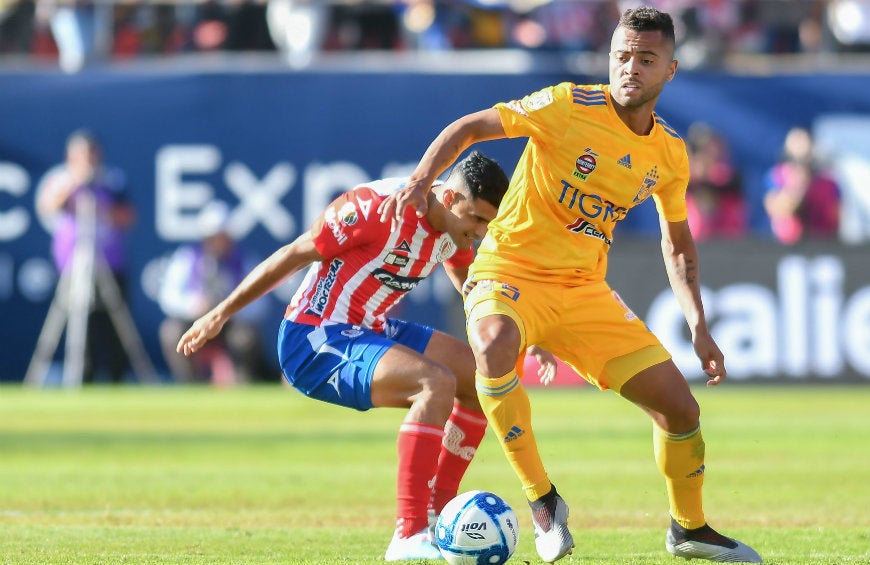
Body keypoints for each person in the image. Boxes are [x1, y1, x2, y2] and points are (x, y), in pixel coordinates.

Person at [379, 6, 761, 564]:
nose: (630, 69)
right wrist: (419, 184)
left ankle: (690, 528)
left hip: (583, 291)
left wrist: (698, 327)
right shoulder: (566, 104)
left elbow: (676, 243)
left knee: (680, 412)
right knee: (491, 348)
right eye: (622, 57)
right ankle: (541, 500)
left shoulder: (670, 154)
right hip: (508, 269)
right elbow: (469, 128)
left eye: (645, 60)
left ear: (670, 71)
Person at [176, 151, 556, 561]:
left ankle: (437, 516)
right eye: (477, 221)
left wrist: (516, 329)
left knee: (478, 379)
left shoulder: (454, 232)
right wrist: (219, 314)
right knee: (435, 383)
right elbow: (291, 254)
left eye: (487, 224)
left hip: (369, 327)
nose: (481, 233)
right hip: (313, 337)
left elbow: (471, 288)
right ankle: (408, 535)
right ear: (448, 199)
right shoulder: (374, 210)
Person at [37, 129, 135, 384]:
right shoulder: (61, 179)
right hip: (73, 265)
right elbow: (49, 207)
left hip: (108, 264)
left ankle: (117, 379)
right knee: (78, 323)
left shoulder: (111, 180)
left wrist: (99, 206)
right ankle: (82, 377)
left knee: (114, 326)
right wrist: (76, 183)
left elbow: (127, 216)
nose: (88, 160)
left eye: (91, 154)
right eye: (82, 155)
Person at [158, 202, 268, 385]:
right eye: (213, 236)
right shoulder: (187, 258)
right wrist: (194, 304)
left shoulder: (245, 261)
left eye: (222, 236)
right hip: (195, 321)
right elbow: (168, 296)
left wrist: (231, 309)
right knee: (171, 332)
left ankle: (242, 385)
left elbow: (261, 303)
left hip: (230, 323)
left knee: (245, 338)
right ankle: (190, 385)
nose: (218, 242)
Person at [763, 126, 840, 244]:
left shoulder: (827, 182)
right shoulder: (776, 176)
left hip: (822, 242)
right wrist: (796, 187)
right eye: (795, 142)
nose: (800, 147)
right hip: (785, 244)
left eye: (803, 141)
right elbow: (775, 209)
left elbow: (835, 216)